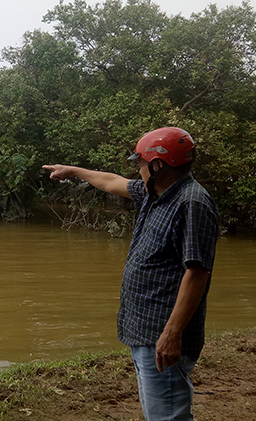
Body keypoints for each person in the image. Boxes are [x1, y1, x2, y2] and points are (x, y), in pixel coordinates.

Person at [43, 127, 218, 421]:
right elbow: (112, 181)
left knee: (167, 416)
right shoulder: (156, 193)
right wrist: (73, 171)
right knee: (159, 412)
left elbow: (197, 272)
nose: (137, 169)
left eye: (140, 163)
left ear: (158, 164)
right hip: (146, 329)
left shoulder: (191, 203)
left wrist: (171, 334)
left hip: (162, 334)